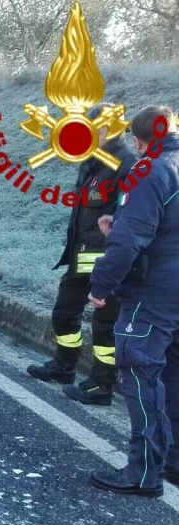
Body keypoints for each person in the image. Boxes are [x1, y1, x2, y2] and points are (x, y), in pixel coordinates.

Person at [85, 105, 179, 498]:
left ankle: (143, 473)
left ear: (141, 142)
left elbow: (131, 241)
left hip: (154, 290)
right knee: (172, 374)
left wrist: (101, 284)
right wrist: (119, 223)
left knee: (140, 372)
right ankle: (170, 459)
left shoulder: (151, 170)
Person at [27, 102, 138, 406]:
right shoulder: (90, 161)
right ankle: (64, 367)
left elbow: (129, 216)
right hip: (81, 253)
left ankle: (102, 386)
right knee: (64, 312)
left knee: (104, 328)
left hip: (108, 260)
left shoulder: (127, 164)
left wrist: (115, 258)